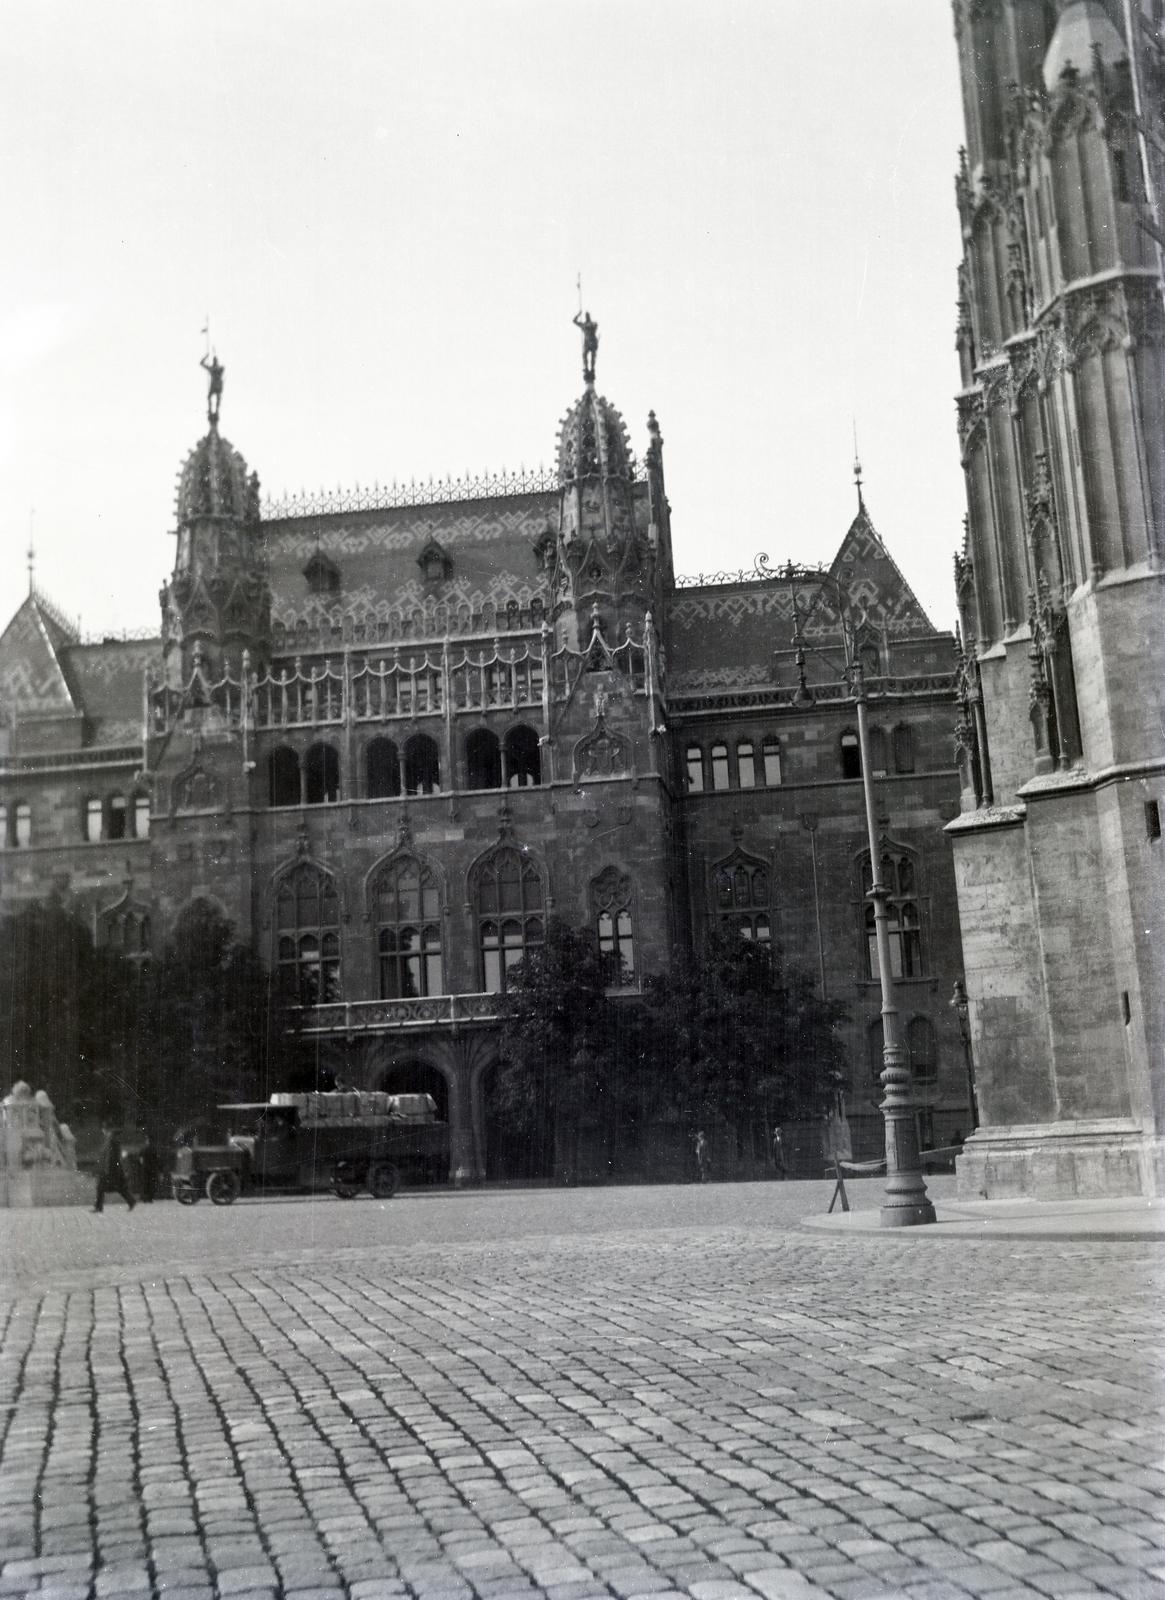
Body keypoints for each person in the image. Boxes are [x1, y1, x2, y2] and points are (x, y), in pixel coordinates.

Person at [93, 1123, 135, 1213]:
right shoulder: (110, 1141)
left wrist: (107, 1169)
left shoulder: (112, 1142)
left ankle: (98, 1206)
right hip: (113, 1170)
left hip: (111, 1170)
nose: (104, 1132)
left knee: (102, 1188)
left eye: (105, 1130)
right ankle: (131, 1201)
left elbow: (110, 1157)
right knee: (119, 1188)